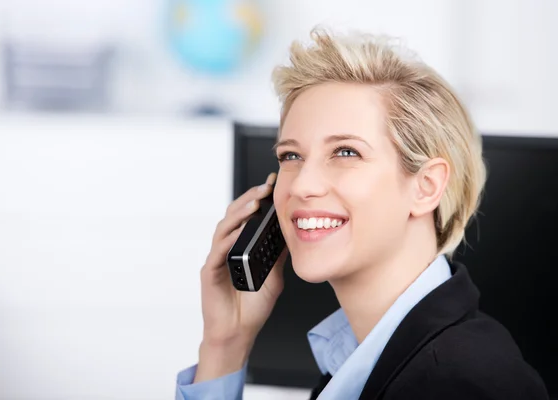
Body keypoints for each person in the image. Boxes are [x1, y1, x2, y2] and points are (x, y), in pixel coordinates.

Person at [174, 27, 549, 399]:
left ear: (426, 186)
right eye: (291, 156)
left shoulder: (460, 386)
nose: (302, 185)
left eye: (346, 152)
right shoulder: (364, 362)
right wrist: (226, 343)